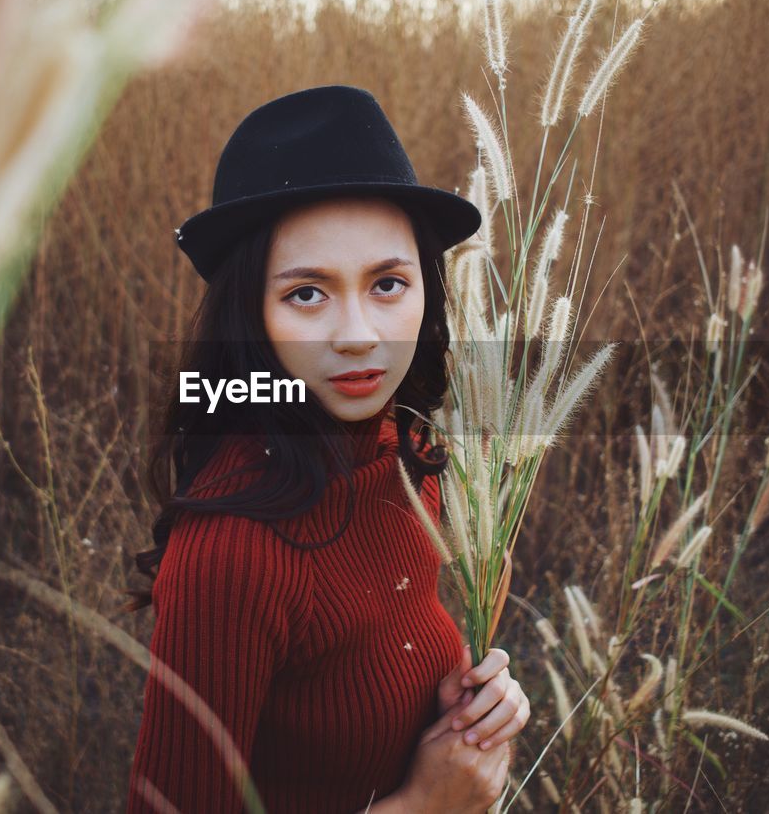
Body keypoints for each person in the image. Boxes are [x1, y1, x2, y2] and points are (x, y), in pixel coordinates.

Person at [124, 85, 531, 813]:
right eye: (308, 293)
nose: (356, 333)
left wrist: (478, 711)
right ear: (252, 314)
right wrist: (421, 806)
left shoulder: (403, 460)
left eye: (387, 283)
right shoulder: (233, 551)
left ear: (426, 294)